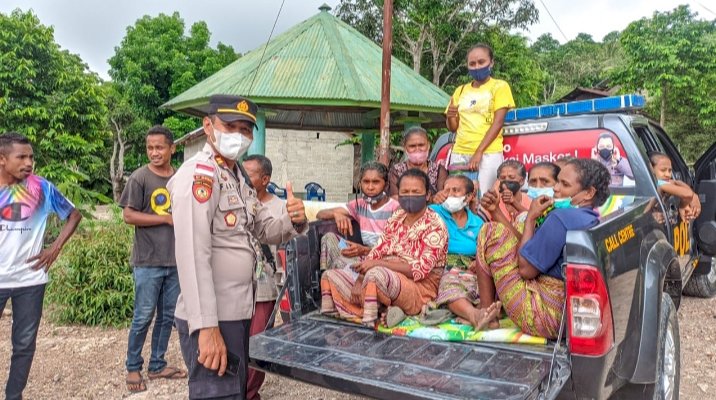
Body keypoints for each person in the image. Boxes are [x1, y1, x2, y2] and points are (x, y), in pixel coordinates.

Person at [168, 95, 308, 400]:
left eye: (245, 130)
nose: (238, 135)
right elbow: (193, 254)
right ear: (208, 126)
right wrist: (206, 327)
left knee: (234, 391)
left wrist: (292, 219)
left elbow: (258, 229)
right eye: (229, 125)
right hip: (213, 315)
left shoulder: (237, 176)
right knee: (217, 394)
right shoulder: (200, 175)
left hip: (237, 310)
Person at [475, 158, 611, 338]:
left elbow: (525, 270)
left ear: (588, 193)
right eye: (558, 182)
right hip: (567, 316)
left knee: (490, 231)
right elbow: (529, 248)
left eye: (564, 184)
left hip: (544, 315)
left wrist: (531, 217)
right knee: (515, 227)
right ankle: (491, 309)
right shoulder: (589, 218)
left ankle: (486, 313)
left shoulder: (560, 218)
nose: (556, 188)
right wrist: (499, 213)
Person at [0, 132, 82, 400]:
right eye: (21, 157)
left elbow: (73, 214)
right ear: (2, 159)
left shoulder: (42, 188)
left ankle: (14, 395)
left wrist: (54, 248)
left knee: (24, 345)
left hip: (30, 280)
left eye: (31, 157)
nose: (28, 162)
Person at [320, 169, 448, 327]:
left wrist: (377, 265)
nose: (409, 196)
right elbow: (378, 250)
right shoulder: (397, 217)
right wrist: (360, 278)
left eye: (416, 192)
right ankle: (374, 309)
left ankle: (371, 318)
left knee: (375, 275)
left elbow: (419, 270)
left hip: (419, 289)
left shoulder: (435, 225)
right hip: (385, 277)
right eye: (405, 192)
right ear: (398, 195)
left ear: (428, 195)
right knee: (330, 276)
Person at [120, 126, 186, 393]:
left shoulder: (181, 177)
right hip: (148, 261)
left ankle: (157, 364)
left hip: (175, 260)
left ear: (172, 148)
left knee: (167, 316)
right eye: (150, 148)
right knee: (143, 315)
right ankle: (133, 366)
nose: (154, 152)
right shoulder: (140, 178)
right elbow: (128, 216)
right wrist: (164, 218)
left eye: (160, 147)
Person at [427, 175, 501, 329]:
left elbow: (485, 251)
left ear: (468, 197)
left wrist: (477, 262)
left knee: (483, 290)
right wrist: (432, 200)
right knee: (451, 288)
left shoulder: (478, 223)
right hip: (446, 269)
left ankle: (477, 314)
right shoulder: (433, 212)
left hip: (472, 270)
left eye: (456, 191)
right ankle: (475, 316)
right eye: (446, 190)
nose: (450, 194)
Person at [241, 154, 285, 400]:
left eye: (249, 174)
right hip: (236, 286)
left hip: (266, 287)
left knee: (257, 342)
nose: (243, 178)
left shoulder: (279, 208)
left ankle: (248, 392)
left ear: (265, 179)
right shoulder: (237, 201)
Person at [445, 43, 515, 197]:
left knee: (484, 198)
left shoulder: (499, 86)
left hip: (488, 153)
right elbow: (453, 127)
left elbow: (498, 123)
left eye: (481, 62)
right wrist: (450, 116)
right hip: (460, 152)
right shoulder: (460, 90)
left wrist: (479, 152)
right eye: (472, 64)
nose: (477, 67)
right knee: (458, 198)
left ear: (491, 63)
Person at [316, 162, 400, 272]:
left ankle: (341, 277)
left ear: (386, 184)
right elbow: (320, 214)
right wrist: (336, 214)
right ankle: (325, 277)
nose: (370, 187)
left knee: (340, 263)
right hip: (363, 256)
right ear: (360, 183)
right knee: (329, 237)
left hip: (384, 261)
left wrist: (365, 250)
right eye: (366, 182)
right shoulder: (359, 204)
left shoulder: (395, 208)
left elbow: (397, 248)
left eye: (376, 182)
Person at [388, 127, 447, 198]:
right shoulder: (396, 170)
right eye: (412, 146)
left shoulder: (439, 170)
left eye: (421, 145)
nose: (417, 149)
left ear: (428, 145)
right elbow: (395, 197)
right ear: (405, 147)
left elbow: (441, 196)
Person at [649, 152, 701, 220]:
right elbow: (688, 194)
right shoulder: (661, 184)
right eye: (663, 170)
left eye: (670, 170)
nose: (668, 174)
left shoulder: (655, 184)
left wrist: (694, 196)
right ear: (652, 169)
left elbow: (676, 182)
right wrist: (683, 205)